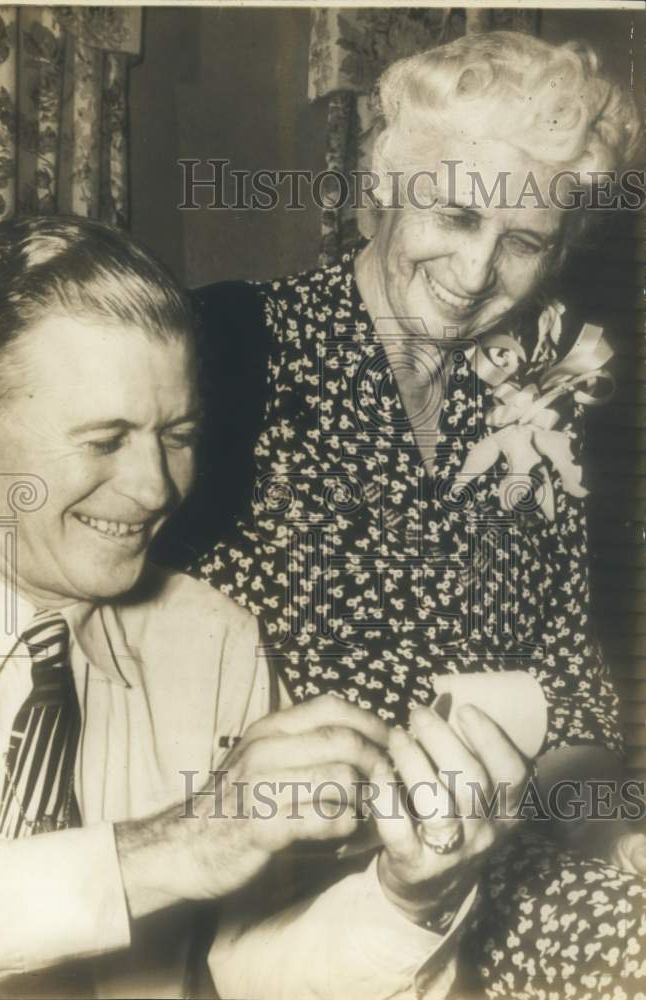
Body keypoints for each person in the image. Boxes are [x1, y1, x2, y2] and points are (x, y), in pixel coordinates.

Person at [0, 216, 539, 1000]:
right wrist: (182, 844)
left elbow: (252, 974)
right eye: (105, 439)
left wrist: (410, 896)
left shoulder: (214, 640)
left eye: (178, 434)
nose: (156, 488)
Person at [156, 31, 646, 997]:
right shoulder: (228, 350)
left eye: (523, 242)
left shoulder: (530, 405)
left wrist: (606, 826)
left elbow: (580, 710)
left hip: (499, 871)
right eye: (456, 214)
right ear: (386, 184)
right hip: (289, 898)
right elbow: (121, 672)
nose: (475, 273)